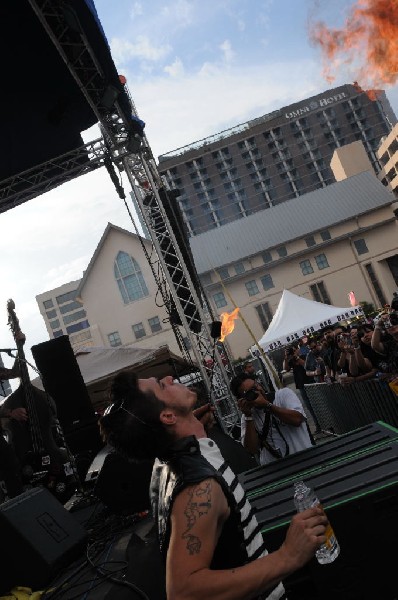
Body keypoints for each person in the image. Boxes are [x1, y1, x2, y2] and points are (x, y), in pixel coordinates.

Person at [100, 371, 327, 600]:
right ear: (168, 416)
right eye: (161, 384)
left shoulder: (165, 461)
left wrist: (193, 426)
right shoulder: (199, 487)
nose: (169, 378)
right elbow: (184, 592)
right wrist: (288, 555)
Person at [230, 373, 313, 465]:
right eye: (251, 392)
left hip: (303, 459)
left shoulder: (283, 395)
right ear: (243, 399)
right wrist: (248, 416)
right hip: (274, 468)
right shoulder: (247, 417)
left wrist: (267, 405)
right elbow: (251, 449)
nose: (258, 391)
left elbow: (297, 419)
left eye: (256, 386)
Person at [282, 346, 321, 433]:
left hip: (310, 382)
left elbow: (306, 365)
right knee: (309, 407)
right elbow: (286, 368)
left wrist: (297, 357)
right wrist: (286, 357)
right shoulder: (291, 360)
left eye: (294, 350)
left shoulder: (304, 356)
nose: (293, 352)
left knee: (317, 404)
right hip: (301, 385)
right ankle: (318, 425)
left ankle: (325, 424)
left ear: (297, 350)